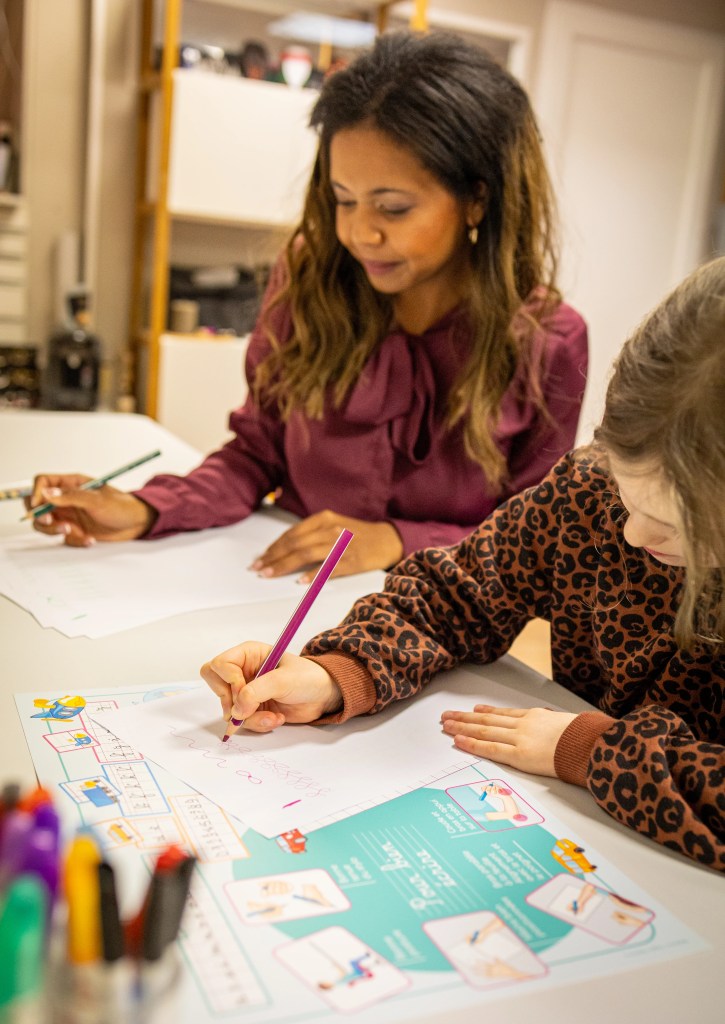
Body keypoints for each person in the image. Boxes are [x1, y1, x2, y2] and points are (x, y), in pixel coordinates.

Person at [201, 257, 725, 871]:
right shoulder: (587, 492)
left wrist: (591, 750)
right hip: (584, 846)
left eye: (675, 524)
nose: (633, 532)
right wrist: (337, 672)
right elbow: (453, 597)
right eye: (626, 493)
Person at [28, 32, 587, 582]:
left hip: (438, 625)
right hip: (277, 592)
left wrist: (396, 540)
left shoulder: (550, 342)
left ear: (478, 199)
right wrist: (147, 508)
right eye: (343, 200)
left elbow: (527, 545)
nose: (359, 233)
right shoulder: (310, 278)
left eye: (392, 208)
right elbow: (255, 454)